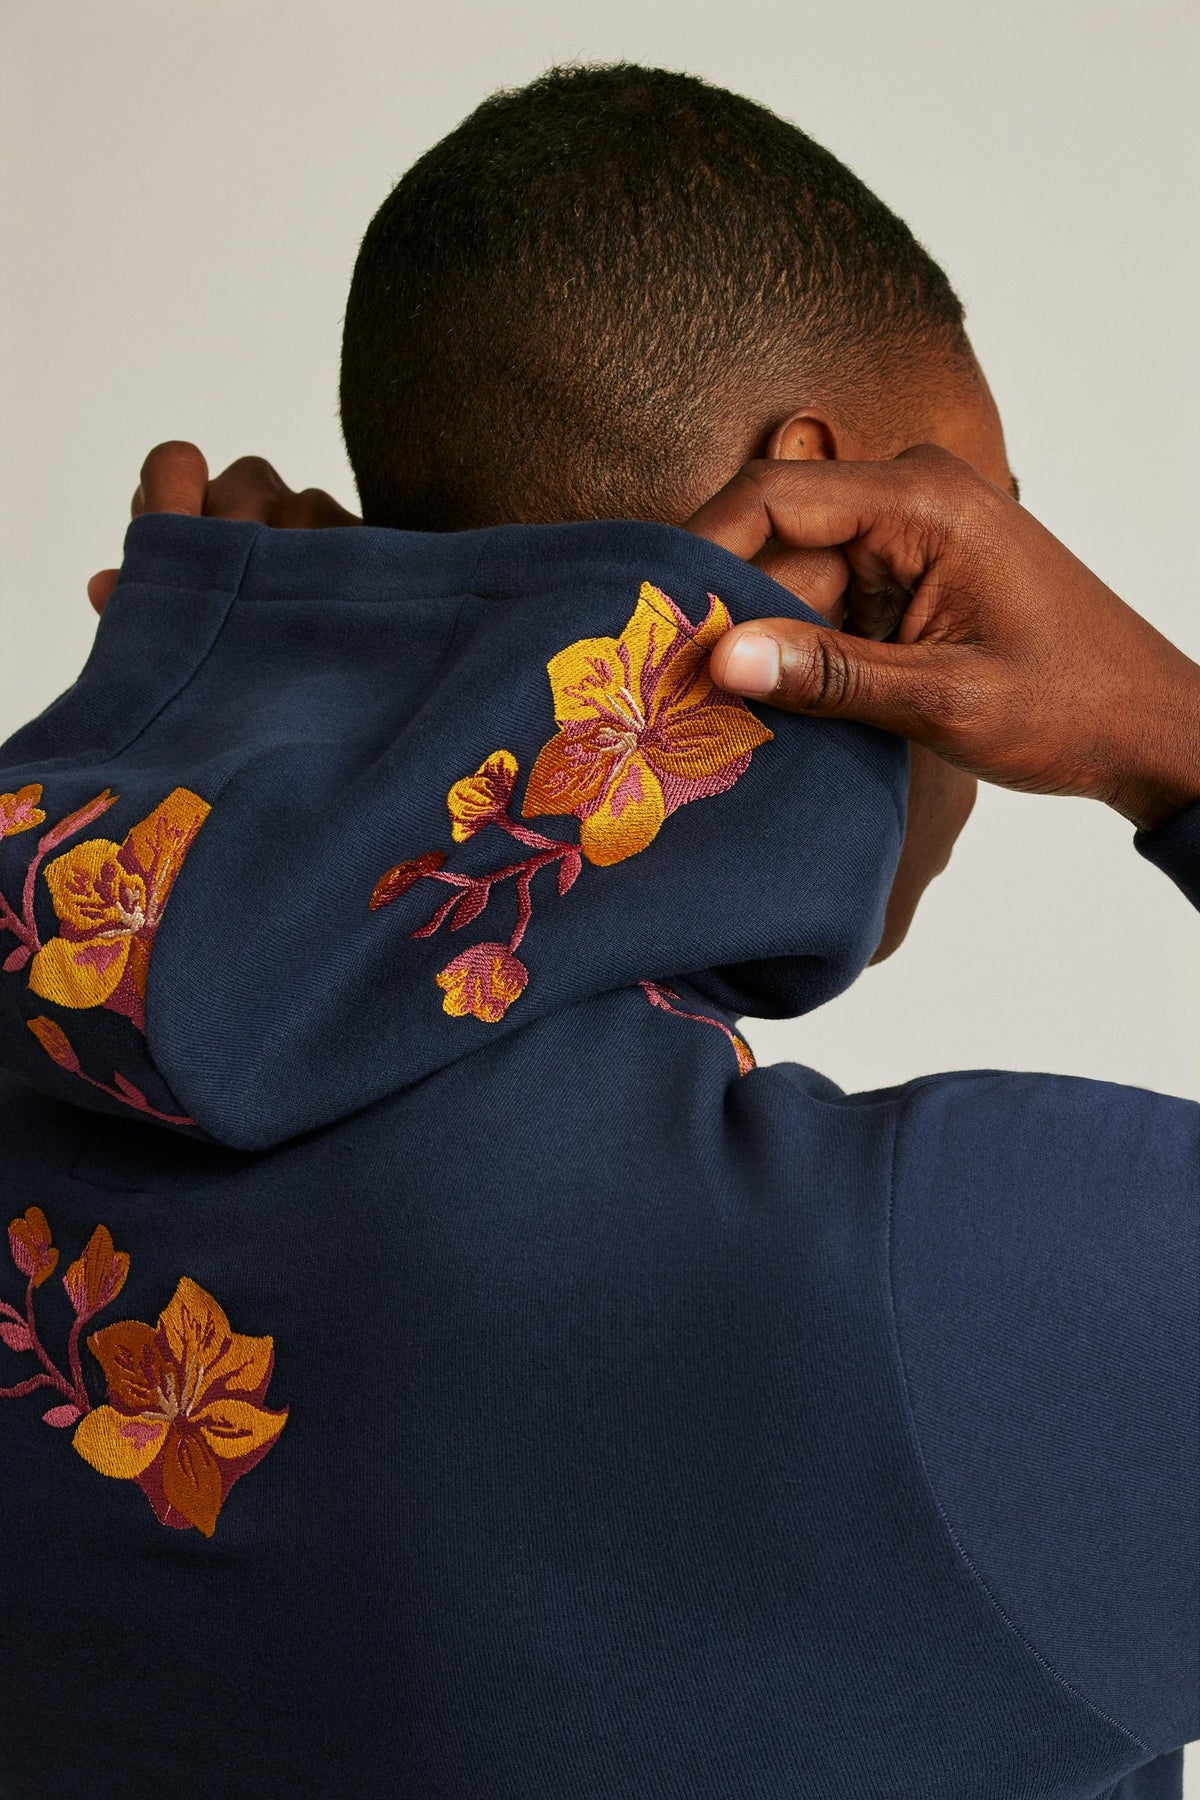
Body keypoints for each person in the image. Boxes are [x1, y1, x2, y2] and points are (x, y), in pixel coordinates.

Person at [0, 63, 1195, 1800]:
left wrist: (237, 714)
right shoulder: (942, 1314)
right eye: (985, 518)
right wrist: (1164, 731)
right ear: (840, 527)